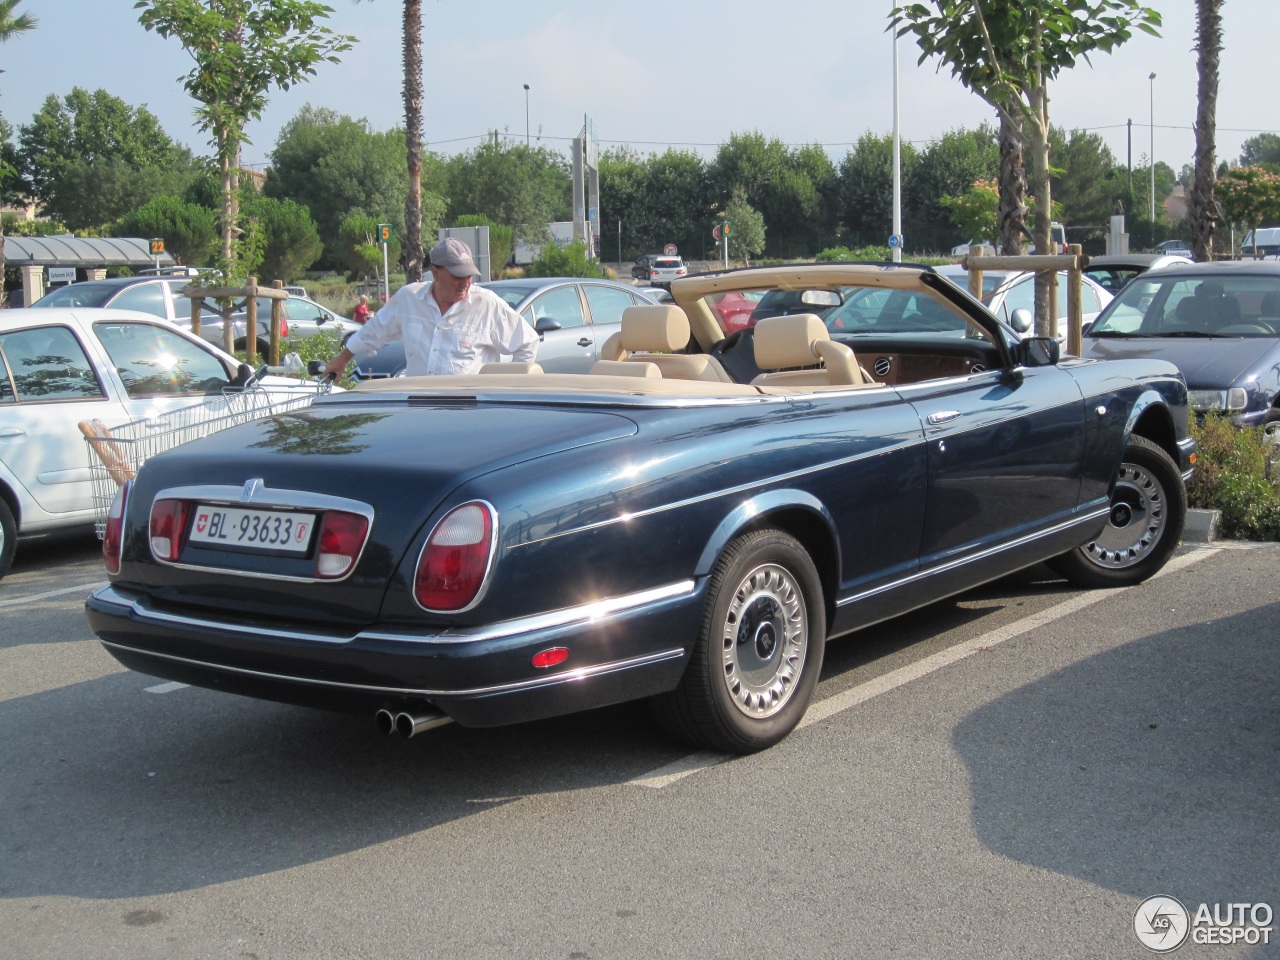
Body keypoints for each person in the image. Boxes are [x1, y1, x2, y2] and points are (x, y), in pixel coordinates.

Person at [323, 238, 539, 379]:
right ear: (435, 272)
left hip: (469, 414)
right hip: (419, 409)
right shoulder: (409, 298)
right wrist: (342, 360)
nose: (465, 283)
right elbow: (374, 331)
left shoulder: (487, 305)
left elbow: (527, 342)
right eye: (457, 276)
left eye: (469, 276)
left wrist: (504, 389)